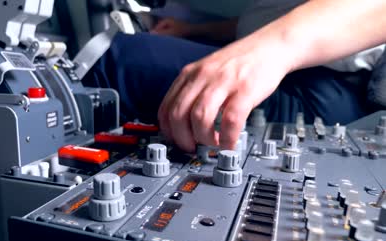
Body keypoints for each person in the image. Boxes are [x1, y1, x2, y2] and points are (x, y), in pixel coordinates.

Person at [83, 0, 386, 153]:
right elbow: (268, 16)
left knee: (122, 60)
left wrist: (272, 49)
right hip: (284, 56)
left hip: (324, 86)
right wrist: (193, 30)